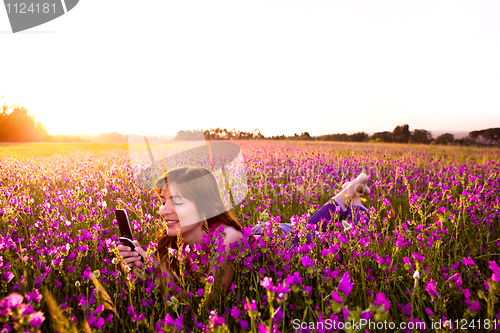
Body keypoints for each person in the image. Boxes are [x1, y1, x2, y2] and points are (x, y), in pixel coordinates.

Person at [116, 166, 371, 295]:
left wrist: (157, 275)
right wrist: (144, 273)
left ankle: (356, 200)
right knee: (312, 226)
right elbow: (174, 297)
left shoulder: (226, 240)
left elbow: (206, 307)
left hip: (279, 240)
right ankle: (350, 189)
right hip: (258, 232)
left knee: (344, 239)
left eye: (177, 201)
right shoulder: (169, 245)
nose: (163, 211)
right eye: (163, 201)